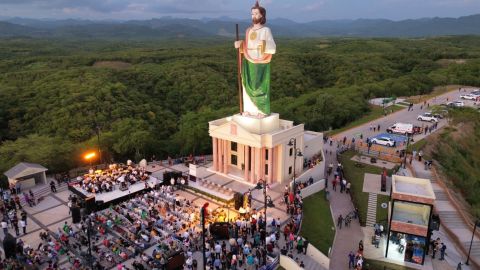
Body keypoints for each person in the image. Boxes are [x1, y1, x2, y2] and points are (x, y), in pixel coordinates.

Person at [234, 1, 276, 117]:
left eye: (256, 14)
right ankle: (249, 109)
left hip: (261, 62)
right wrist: (240, 44)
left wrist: (262, 45)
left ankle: (261, 110)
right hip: (248, 60)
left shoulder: (266, 30)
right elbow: (246, 46)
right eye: (252, 14)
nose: (254, 16)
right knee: (246, 84)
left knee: (259, 86)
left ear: (262, 15)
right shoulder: (248, 30)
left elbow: (273, 48)